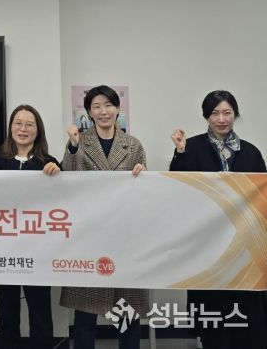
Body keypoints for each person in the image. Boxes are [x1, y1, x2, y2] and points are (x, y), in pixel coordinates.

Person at [170, 90, 267, 349]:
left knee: (245, 305)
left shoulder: (251, 152)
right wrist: (180, 152)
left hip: (244, 244)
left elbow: (262, 197)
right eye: (214, 113)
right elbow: (177, 188)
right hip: (206, 243)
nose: (221, 119)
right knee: (212, 303)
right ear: (206, 117)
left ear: (235, 115)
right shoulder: (191, 147)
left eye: (227, 112)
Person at [59, 85, 147, 349]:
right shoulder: (79, 142)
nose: (103, 111)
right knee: (85, 315)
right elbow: (67, 179)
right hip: (90, 236)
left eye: (108, 105)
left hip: (124, 238)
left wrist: (144, 175)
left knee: (127, 314)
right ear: (89, 112)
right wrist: (73, 146)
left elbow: (145, 194)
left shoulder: (133, 145)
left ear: (118, 109)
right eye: (96, 106)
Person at [0, 104, 59, 349]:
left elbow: (64, 200)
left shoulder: (48, 162)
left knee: (40, 310)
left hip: (38, 250)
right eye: (18, 123)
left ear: (38, 130)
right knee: (7, 312)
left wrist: (59, 174)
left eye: (29, 124)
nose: (23, 129)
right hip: (5, 249)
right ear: (11, 128)